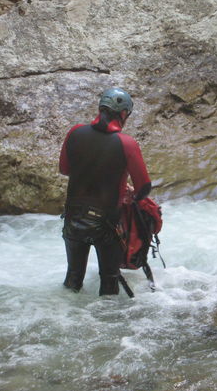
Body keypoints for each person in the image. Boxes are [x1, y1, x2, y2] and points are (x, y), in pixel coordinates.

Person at [59, 87, 152, 296]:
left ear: (101, 108)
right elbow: (144, 187)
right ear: (123, 114)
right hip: (107, 224)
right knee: (109, 282)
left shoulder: (75, 132)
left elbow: (65, 169)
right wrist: (130, 194)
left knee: (73, 278)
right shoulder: (127, 143)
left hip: (74, 218)